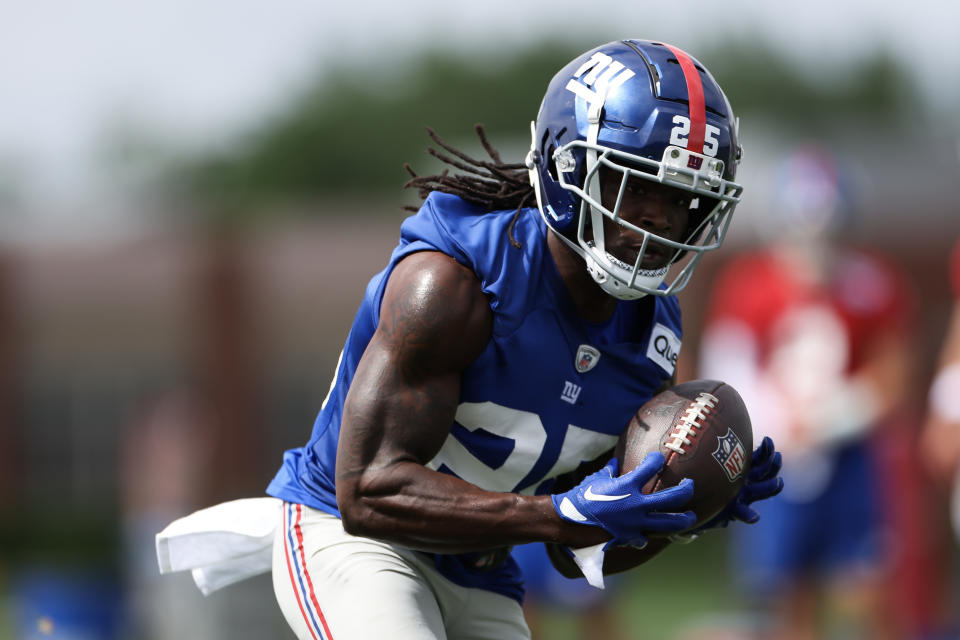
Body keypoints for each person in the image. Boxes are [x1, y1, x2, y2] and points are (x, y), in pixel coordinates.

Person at [159, 39, 783, 640]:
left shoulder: (652, 335)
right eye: (638, 184)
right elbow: (368, 490)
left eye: (680, 198)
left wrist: (678, 508)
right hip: (352, 539)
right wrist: (559, 514)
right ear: (570, 171)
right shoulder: (457, 284)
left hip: (480, 568)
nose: (657, 217)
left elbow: (577, 551)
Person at [698, 148, 913, 640]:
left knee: (866, 589)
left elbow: (892, 377)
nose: (815, 241)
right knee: (787, 594)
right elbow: (725, 377)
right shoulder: (748, 285)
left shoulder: (870, 284)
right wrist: (776, 420)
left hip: (850, 456)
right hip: (776, 457)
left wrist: (831, 417)